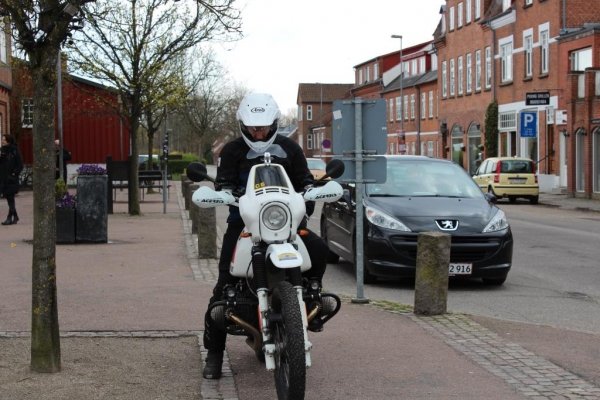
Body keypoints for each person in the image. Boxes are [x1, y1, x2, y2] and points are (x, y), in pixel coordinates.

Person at [202, 92, 330, 380]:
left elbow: (304, 182)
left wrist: (309, 198)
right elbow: (224, 184)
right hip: (244, 224)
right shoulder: (232, 151)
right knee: (224, 285)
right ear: (243, 125)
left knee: (319, 249)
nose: (258, 134)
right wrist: (223, 193)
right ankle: (214, 354)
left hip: (285, 224)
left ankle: (313, 297)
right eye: (252, 128)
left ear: (274, 124)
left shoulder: (290, 148)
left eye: (263, 128)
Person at [0, 134, 24, 225]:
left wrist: (14, 174)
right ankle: (15, 217)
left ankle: (9, 217)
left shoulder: (14, 150)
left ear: (8, 141)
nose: (2, 141)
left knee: (10, 198)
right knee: (9, 198)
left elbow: (20, 165)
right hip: (3, 179)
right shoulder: (2, 150)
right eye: (2, 139)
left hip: (11, 179)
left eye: (4, 140)